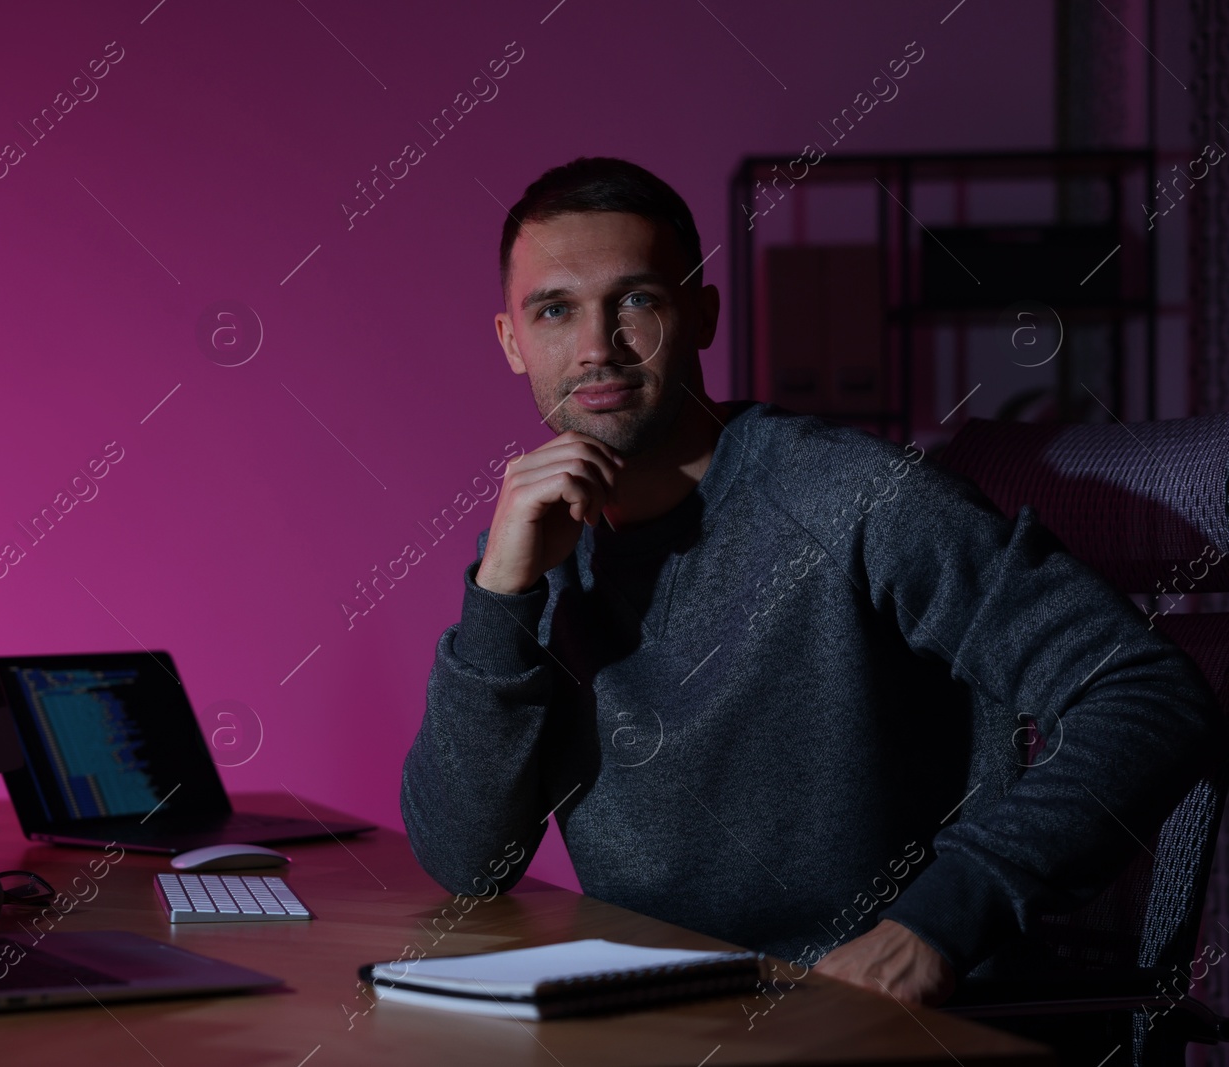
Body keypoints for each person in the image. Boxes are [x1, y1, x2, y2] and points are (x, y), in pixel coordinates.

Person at [398, 155, 1222, 1008]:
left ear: (702, 314)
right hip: (661, 1013)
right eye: (556, 310)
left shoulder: (847, 497)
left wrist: (936, 924)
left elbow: (1149, 691)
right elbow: (466, 861)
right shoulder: (543, 548)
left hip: (873, 1026)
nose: (597, 346)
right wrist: (499, 592)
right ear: (511, 340)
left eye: (637, 299)